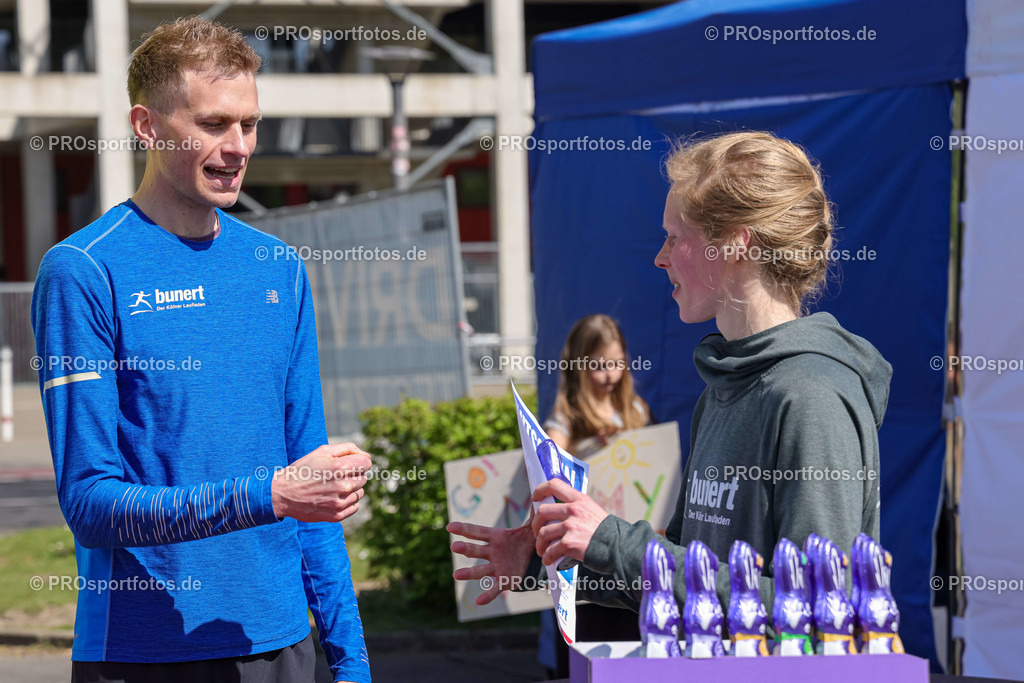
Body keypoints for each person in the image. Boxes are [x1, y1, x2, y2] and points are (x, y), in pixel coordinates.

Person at [31, 17, 370, 683]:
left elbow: (313, 485)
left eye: (249, 123)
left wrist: (351, 660)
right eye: (214, 124)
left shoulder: (278, 268)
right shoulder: (82, 271)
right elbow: (91, 505)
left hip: (281, 644)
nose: (239, 145)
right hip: (141, 651)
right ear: (146, 126)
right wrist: (268, 495)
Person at [447, 130, 891, 628]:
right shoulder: (724, 384)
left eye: (676, 237)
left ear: (735, 245)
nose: (660, 257)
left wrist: (611, 539)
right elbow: (685, 576)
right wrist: (548, 557)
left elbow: (814, 608)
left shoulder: (811, 395)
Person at [538, 314, 650, 676]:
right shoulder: (565, 416)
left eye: (617, 364)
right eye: (599, 366)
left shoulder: (635, 410)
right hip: (584, 563)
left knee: (630, 649)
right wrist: (588, 447)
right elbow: (548, 469)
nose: (609, 375)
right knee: (587, 655)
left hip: (627, 554)